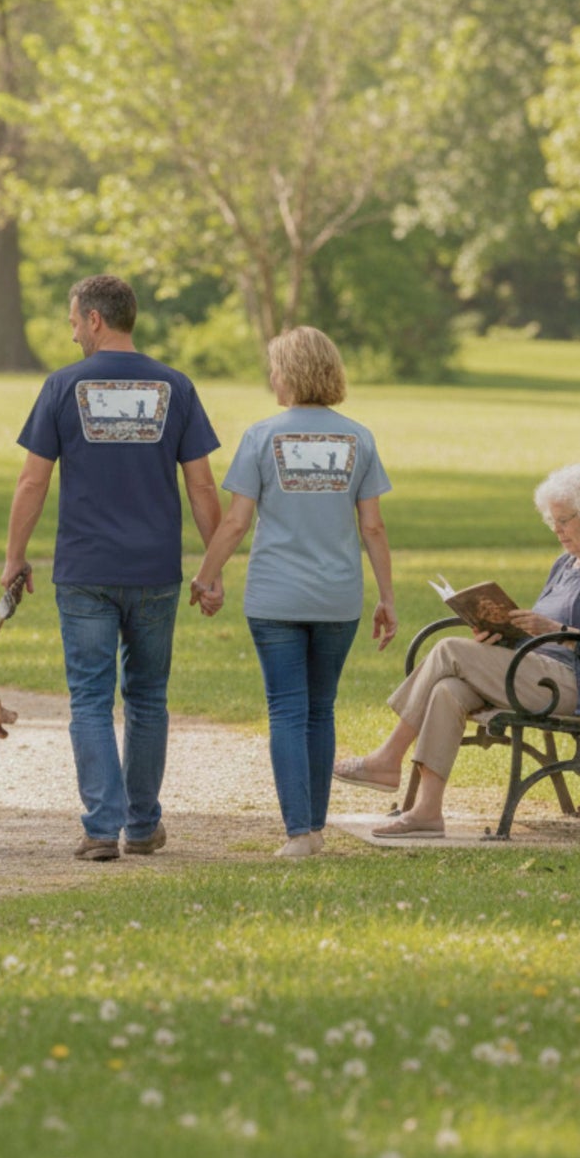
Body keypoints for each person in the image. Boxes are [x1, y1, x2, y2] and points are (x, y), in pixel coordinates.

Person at [2, 274, 222, 862]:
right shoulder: (175, 386)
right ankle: (143, 824)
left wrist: (14, 557)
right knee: (148, 697)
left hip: (85, 570)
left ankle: (102, 827)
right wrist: (213, 565)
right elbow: (200, 484)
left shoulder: (62, 386)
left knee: (91, 699)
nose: (72, 332)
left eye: (74, 321)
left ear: (96, 319)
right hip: (155, 571)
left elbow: (32, 480)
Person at [334, 463, 580, 838]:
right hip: (538, 670)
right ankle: (427, 812)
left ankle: (388, 757)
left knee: (449, 649)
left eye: (564, 521)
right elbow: (540, 635)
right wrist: (503, 634)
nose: (557, 530)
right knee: (449, 690)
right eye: (552, 521)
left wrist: (558, 631)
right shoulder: (564, 564)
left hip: (577, 686)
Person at [191, 327, 396, 858]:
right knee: (320, 709)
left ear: (292, 372)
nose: (272, 377)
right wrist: (387, 598)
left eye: (276, 368)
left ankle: (298, 833)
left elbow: (237, 523)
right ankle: (318, 829)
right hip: (338, 598)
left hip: (276, 597)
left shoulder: (262, 437)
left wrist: (206, 575)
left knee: (286, 708)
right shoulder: (359, 438)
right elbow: (372, 528)